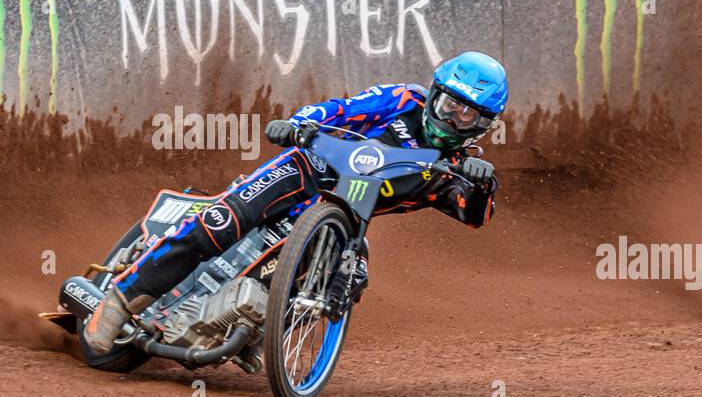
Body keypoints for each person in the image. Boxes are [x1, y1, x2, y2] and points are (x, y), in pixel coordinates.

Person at [84, 51, 507, 354]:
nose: (452, 119)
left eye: (467, 115)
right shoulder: (402, 100)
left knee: (349, 278)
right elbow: (340, 109)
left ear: (483, 126)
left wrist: (484, 185)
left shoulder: (456, 170)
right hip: (308, 167)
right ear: (434, 94)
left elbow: (475, 216)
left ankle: (261, 332)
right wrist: (300, 124)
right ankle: (120, 301)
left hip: (347, 217)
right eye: (449, 104)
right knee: (220, 222)